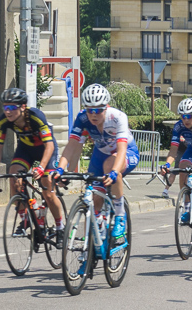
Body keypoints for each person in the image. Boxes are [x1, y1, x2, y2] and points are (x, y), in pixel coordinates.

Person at [59, 83, 138, 241]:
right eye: (90, 110)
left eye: (98, 110)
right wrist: (62, 171)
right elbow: (72, 147)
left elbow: (121, 150)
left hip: (126, 152)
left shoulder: (117, 117)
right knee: (94, 195)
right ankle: (93, 246)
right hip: (100, 154)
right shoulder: (82, 118)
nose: (93, 114)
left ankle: (120, 216)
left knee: (110, 166)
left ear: (106, 107)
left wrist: (115, 172)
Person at [0, 86, 64, 241]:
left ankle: (60, 227)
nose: (8, 111)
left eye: (12, 107)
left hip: (46, 149)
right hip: (26, 150)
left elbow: (50, 145)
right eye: (5, 107)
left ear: (23, 107)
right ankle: (26, 218)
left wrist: (41, 167)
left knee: (47, 190)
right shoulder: (4, 120)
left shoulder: (36, 116)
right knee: (14, 179)